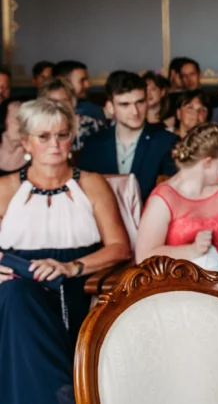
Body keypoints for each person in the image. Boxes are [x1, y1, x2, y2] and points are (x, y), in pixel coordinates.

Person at [0, 99, 130, 404]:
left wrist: (72, 267)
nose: (55, 144)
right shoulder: (5, 187)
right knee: (15, 296)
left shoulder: (91, 183)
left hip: (73, 286)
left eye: (62, 135)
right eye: (43, 137)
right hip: (15, 282)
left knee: (17, 300)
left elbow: (120, 247)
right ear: (25, 142)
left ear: (72, 138)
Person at [135, 123, 218, 291]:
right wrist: (192, 250)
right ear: (209, 162)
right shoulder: (164, 197)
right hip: (176, 285)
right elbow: (144, 255)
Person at [77, 71, 179, 202]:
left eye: (140, 102)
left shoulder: (166, 143)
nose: (135, 112)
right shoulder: (94, 144)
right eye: (125, 104)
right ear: (110, 107)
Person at [38, 77, 104, 154]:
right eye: (53, 102)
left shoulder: (92, 124)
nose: (59, 106)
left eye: (64, 101)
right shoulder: (39, 129)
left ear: (72, 101)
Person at [0, 98, 28, 176]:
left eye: (26, 120)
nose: (21, 125)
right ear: (4, 121)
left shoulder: (36, 155)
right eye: (16, 119)